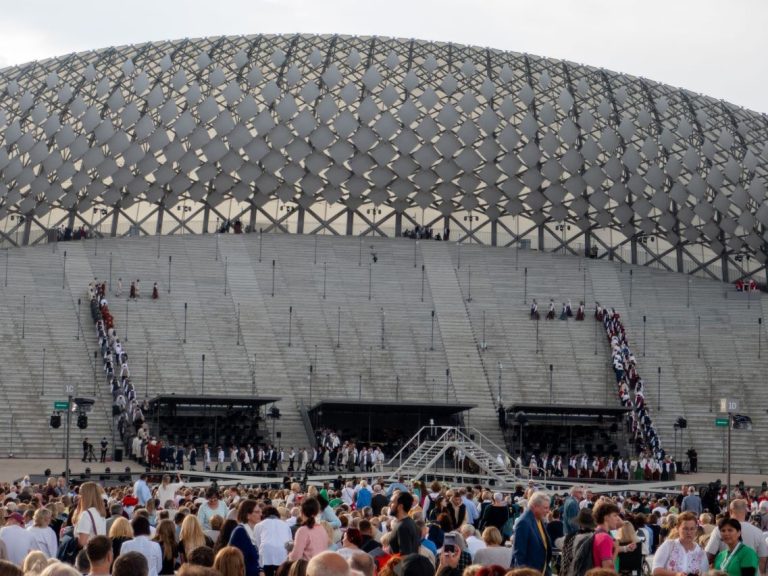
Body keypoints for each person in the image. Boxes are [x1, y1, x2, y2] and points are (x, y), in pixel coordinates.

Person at [705, 499, 768, 572]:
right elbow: (763, 559)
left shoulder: (719, 529)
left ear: (730, 512)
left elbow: (708, 556)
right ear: (746, 512)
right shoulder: (758, 532)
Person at [651, 511, 708, 576]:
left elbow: (705, 573)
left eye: (692, 529)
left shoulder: (700, 552)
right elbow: (655, 570)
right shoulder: (668, 545)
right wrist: (676, 574)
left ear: (696, 529)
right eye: (685, 529)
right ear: (678, 528)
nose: (689, 532)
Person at [511, 491, 551, 575]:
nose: (548, 511)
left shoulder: (538, 519)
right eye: (545, 508)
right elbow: (519, 554)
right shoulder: (524, 523)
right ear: (535, 506)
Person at [592, 499, 632, 571]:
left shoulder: (596, 533)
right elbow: (607, 569)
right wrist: (616, 549)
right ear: (606, 517)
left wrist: (625, 548)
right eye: (615, 515)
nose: (617, 519)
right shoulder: (605, 537)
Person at [253, 505, 292, 576]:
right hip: (282, 554)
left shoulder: (259, 525)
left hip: (265, 554)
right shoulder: (285, 525)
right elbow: (289, 543)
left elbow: (257, 543)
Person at [228, 500, 261, 576]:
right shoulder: (240, 532)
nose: (261, 514)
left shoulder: (253, 530)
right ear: (247, 515)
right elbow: (238, 561)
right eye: (257, 512)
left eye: (260, 511)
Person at [73, 482, 107, 547]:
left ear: (86, 495)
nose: (79, 496)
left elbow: (82, 542)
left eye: (80, 493)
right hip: (99, 551)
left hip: (88, 554)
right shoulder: (99, 512)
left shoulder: (86, 514)